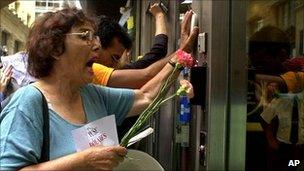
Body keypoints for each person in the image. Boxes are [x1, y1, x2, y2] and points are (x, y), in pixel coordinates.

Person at [0, 7, 198, 170]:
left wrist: (182, 55)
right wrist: (83, 161)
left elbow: (146, 95)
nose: (96, 45)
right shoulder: (28, 102)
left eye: (94, 37)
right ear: (54, 48)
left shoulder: (92, 94)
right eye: (85, 36)